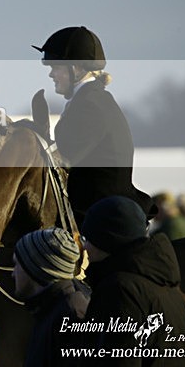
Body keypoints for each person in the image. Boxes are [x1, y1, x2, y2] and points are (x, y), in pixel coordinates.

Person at [33, 26, 154, 222]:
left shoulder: (90, 105)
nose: (51, 74)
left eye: (56, 68)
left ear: (77, 68)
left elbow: (64, 161)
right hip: (94, 207)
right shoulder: (88, 99)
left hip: (100, 215)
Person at [80, 196, 185, 367]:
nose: (84, 247)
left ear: (107, 239)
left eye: (88, 238)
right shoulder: (167, 289)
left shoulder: (120, 290)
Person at [13, 227, 90, 367]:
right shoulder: (48, 308)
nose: (13, 273)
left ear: (35, 269)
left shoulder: (72, 317)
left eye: (17, 265)